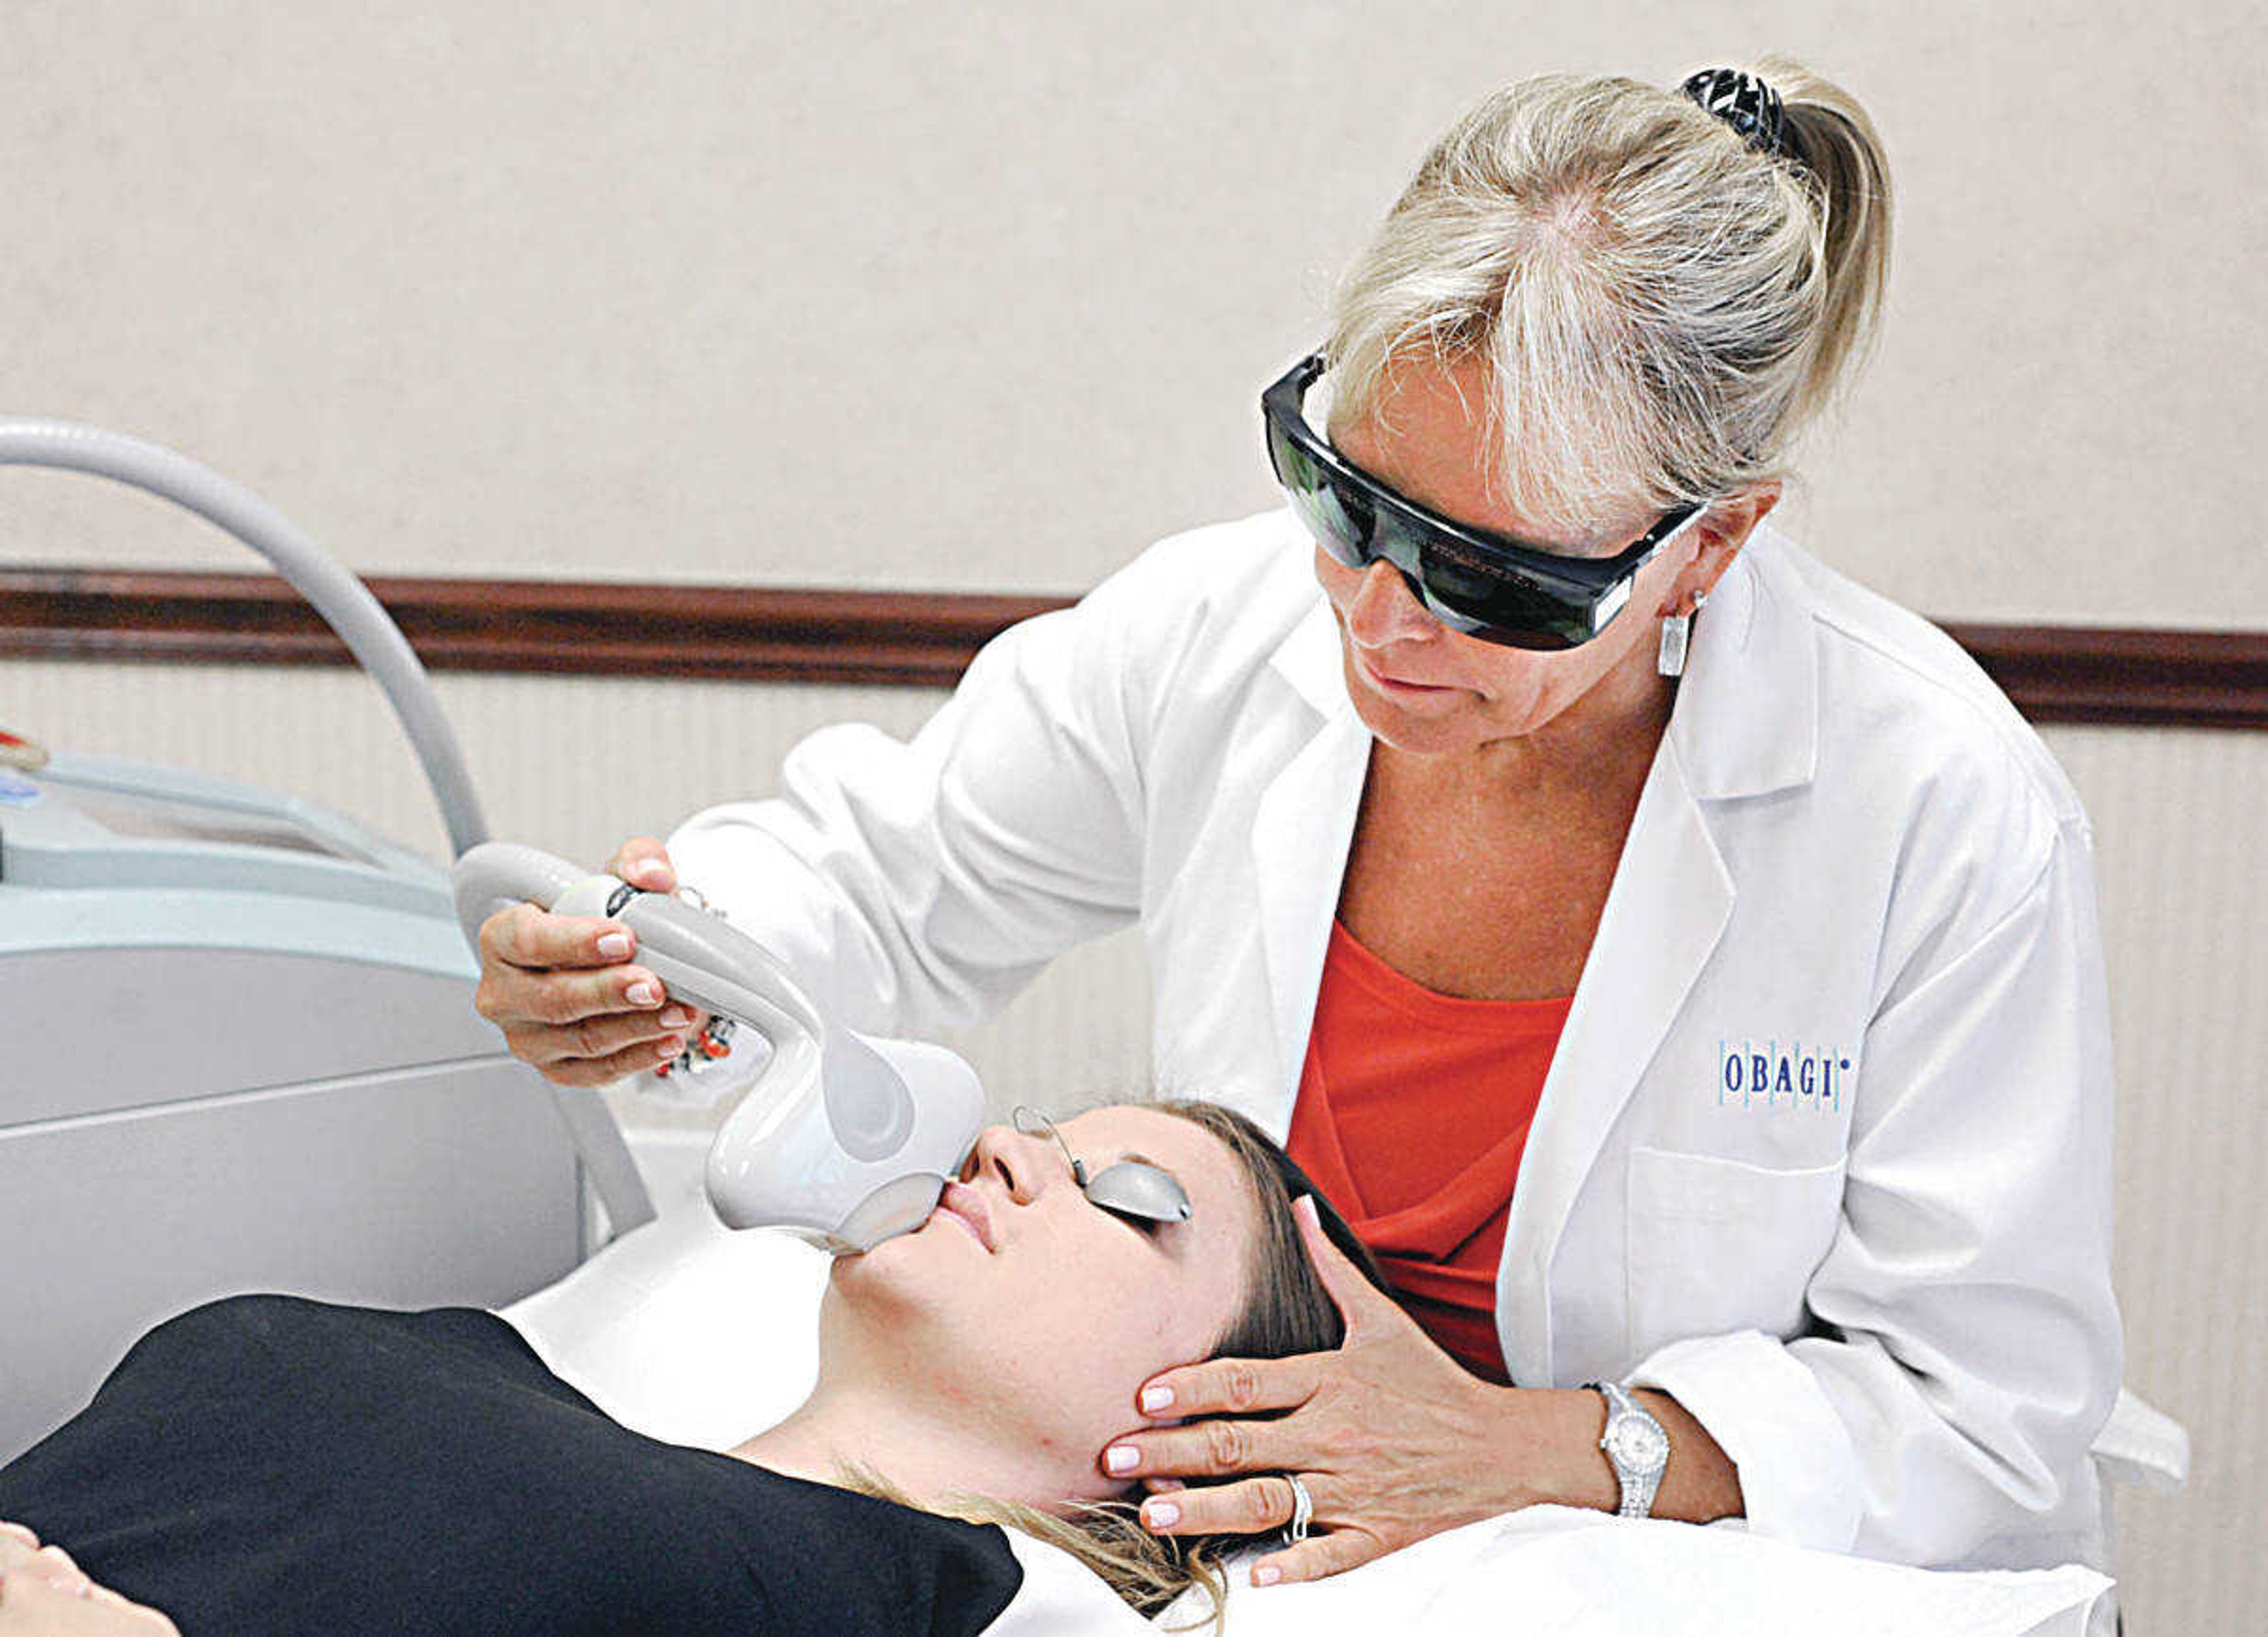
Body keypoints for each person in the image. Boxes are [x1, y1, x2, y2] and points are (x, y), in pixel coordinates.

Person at [472, 53, 2121, 1603]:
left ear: (1711, 546)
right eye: (1346, 498)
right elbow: (882, 872)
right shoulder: (1218, 632)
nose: (1382, 621)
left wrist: (1552, 1450)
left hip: (1687, 1576)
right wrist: (669, 967)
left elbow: (1981, 1408)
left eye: (1498, 580)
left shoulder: (1934, 813)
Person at [0, 1102, 1384, 1635]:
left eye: (1128, 1193)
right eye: (1040, 1129)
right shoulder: (506, 1377)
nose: (1009, 1150)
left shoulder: (902, 1608)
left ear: (1224, 1420)